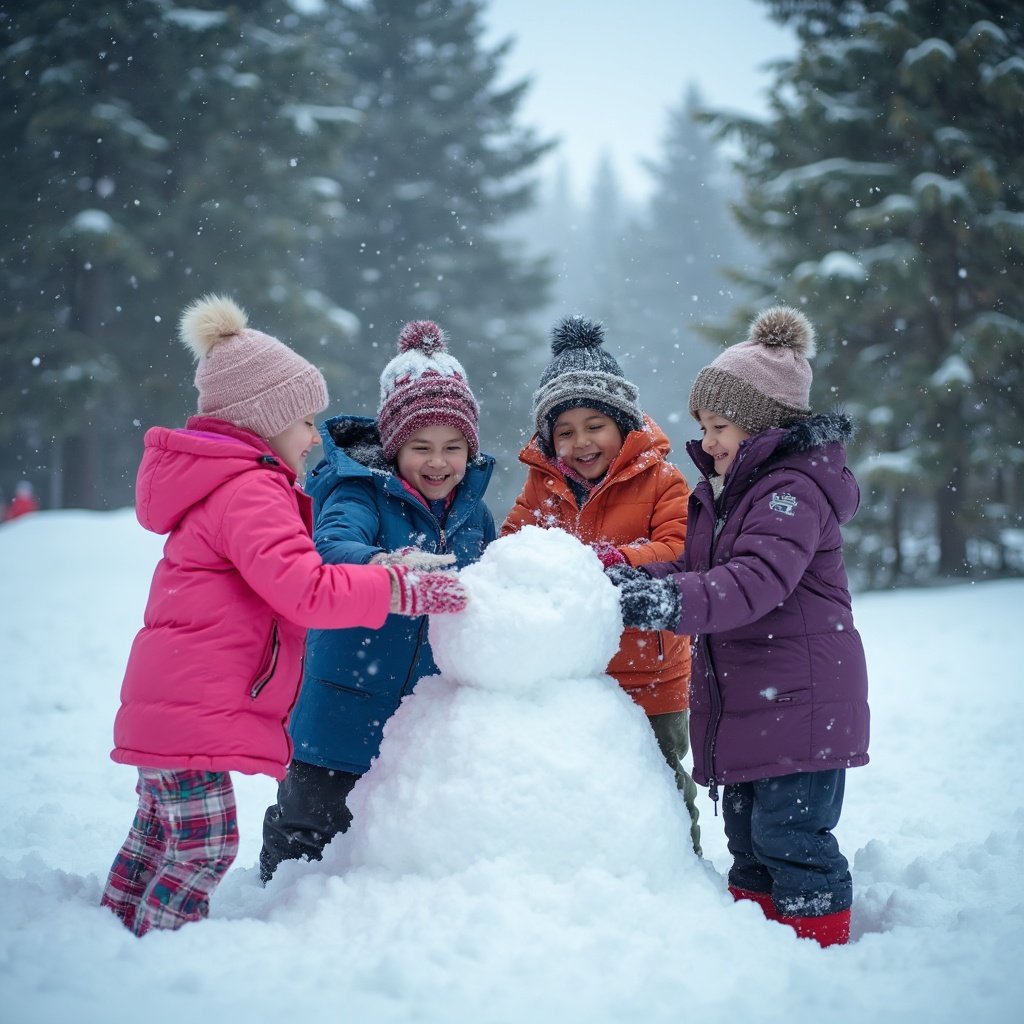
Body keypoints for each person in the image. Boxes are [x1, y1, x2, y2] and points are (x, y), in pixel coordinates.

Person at [100, 295, 466, 937]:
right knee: (202, 848)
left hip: (172, 695)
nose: (313, 437)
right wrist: (391, 588)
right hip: (193, 699)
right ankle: (155, 953)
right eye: (304, 421)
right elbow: (304, 589)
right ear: (264, 420)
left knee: (156, 838)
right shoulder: (248, 490)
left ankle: (111, 929)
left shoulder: (223, 482)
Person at [608, 306, 870, 948]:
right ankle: (759, 947)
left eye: (719, 425)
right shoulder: (733, 492)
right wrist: (635, 578)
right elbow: (702, 566)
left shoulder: (790, 492)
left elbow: (753, 582)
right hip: (754, 699)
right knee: (749, 838)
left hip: (799, 700)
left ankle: (818, 946)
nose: (708, 438)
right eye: (703, 424)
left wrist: (663, 604)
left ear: (762, 425)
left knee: (793, 837)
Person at [259, 320, 496, 882]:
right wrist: (378, 566)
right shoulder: (358, 490)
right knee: (309, 819)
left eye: (453, 447)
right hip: (342, 698)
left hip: (422, 710)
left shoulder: (473, 511)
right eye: (421, 447)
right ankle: (273, 909)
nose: (438, 462)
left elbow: (489, 579)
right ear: (394, 448)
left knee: (392, 831)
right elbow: (332, 544)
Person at [501, 315, 700, 853]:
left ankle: (680, 863)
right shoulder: (541, 487)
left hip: (651, 672)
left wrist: (616, 559)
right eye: (564, 431)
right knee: (588, 783)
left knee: (661, 781)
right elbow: (513, 549)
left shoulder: (661, 478)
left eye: (595, 426)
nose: (580, 442)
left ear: (623, 426)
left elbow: (683, 551)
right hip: (574, 672)